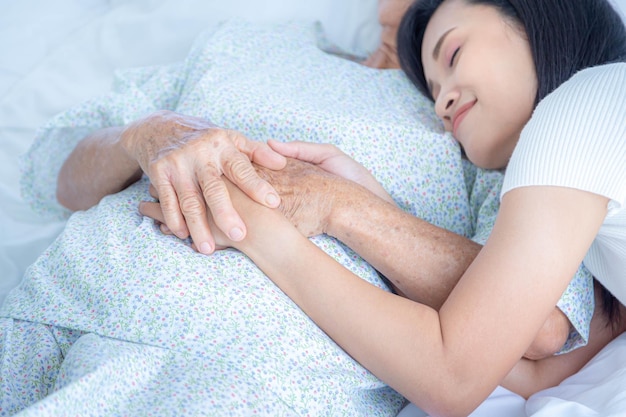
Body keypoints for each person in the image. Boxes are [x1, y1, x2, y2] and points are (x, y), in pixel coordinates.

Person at [136, 0, 626, 415]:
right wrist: (372, 203)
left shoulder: (581, 107)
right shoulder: (588, 191)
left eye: (453, 53)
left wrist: (265, 230)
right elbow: (537, 376)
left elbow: (452, 379)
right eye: (433, 90)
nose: (441, 104)